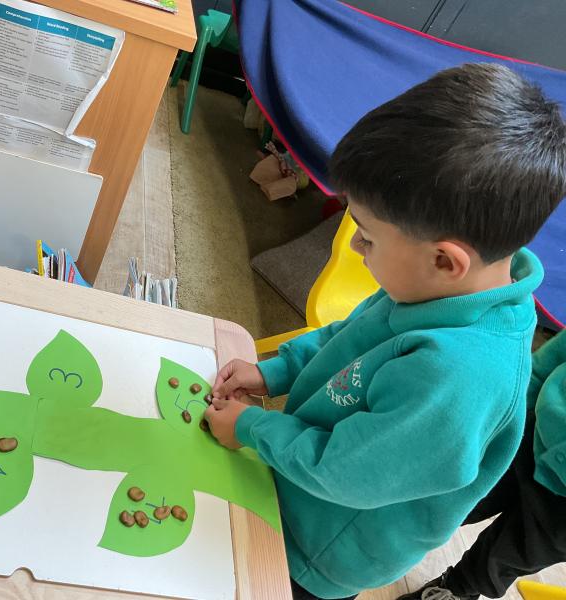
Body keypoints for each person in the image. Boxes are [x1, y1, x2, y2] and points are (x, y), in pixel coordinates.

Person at [202, 63, 566, 600]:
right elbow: (349, 337)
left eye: (367, 237)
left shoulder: (457, 377)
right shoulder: (430, 287)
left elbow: (345, 471)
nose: (355, 246)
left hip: (318, 551)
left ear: (445, 260)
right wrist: (275, 372)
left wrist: (255, 428)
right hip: (297, 480)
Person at [398, 329, 566, 600]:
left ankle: (455, 589)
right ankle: (388, 544)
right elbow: (551, 358)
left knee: (504, 558)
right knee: (451, 499)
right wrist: (516, 401)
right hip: (534, 433)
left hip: (561, 517)